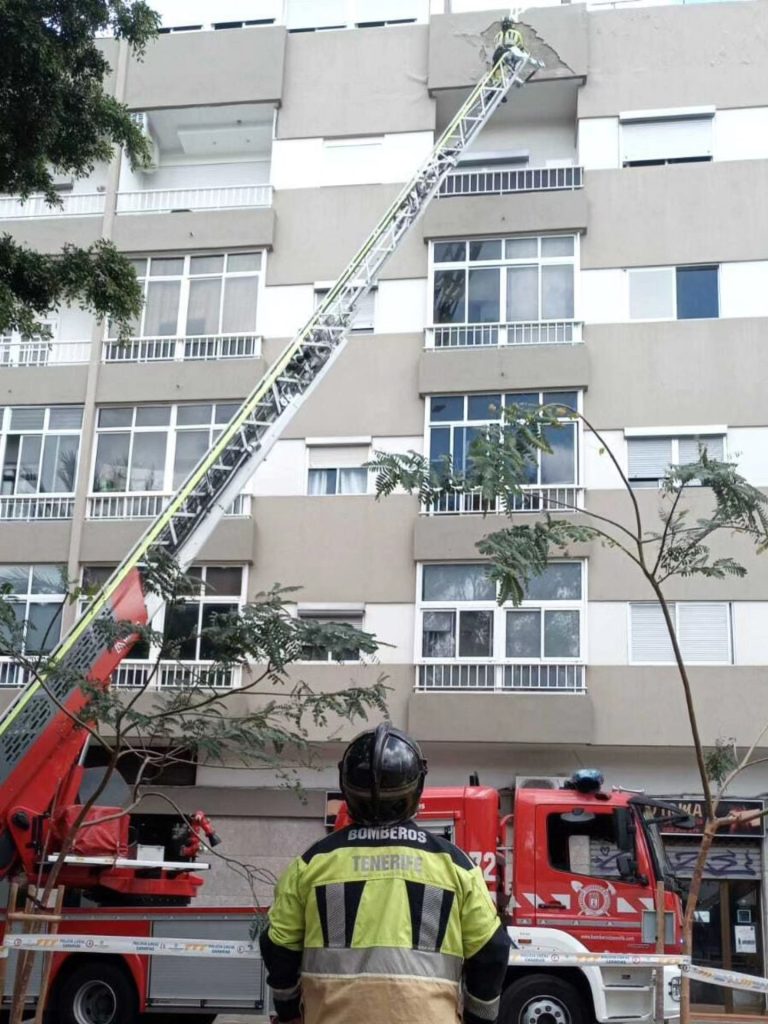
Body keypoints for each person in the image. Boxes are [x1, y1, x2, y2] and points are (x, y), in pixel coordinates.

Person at [260, 722, 512, 1024]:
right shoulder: (455, 866)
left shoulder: (311, 864)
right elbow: (491, 951)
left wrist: (289, 1012)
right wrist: (478, 1019)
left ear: (346, 786)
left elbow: (278, 946)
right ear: (416, 787)